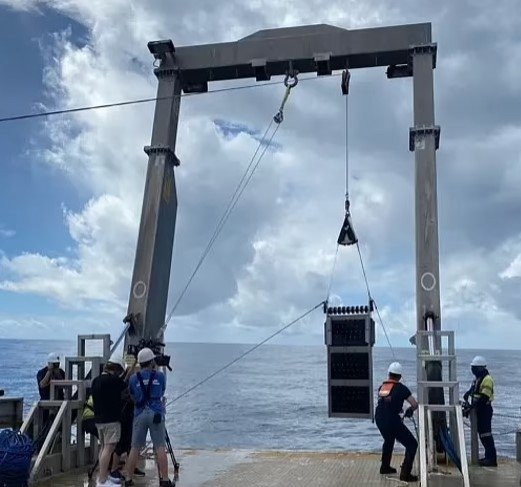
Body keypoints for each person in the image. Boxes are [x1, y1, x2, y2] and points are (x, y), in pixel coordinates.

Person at [123, 348, 173, 487]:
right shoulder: (160, 376)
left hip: (139, 414)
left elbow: (131, 394)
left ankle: (128, 479)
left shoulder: (134, 378)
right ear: (151, 361)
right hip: (156, 412)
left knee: (135, 448)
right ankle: (164, 480)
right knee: (160, 447)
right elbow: (162, 390)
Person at [375, 362, 419, 483]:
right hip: (391, 421)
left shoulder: (382, 387)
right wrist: (410, 411)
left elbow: (386, 402)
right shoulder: (402, 388)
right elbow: (414, 404)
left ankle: (385, 467)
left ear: (389, 374)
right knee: (412, 444)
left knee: (389, 439)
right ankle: (405, 474)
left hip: (379, 419)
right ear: (399, 377)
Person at [91, 357, 127, 487]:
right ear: (117, 369)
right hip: (111, 420)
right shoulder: (114, 381)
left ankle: (102, 477)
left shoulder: (95, 381)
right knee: (109, 448)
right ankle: (102, 481)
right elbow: (125, 385)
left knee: (103, 448)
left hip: (98, 420)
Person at [463, 355, 497, 467]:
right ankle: (488, 457)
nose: (473, 370)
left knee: (486, 434)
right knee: (482, 435)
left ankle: (491, 459)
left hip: (484, 410)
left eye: (475, 368)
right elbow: (473, 390)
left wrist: (472, 407)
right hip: (479, 410)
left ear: (481, 368)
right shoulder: (477, 378)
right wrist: (467, 394)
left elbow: (484, 397)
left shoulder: (487, 379)